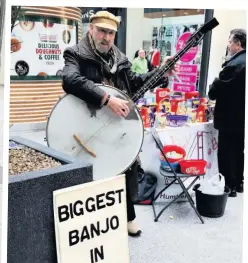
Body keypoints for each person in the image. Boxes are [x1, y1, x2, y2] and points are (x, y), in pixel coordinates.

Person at [61, 11, 173, 236]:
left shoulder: (120, 59)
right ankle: (90, 225)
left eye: (111, 32)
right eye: (102, 30)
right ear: (91, 29)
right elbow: (70, 80)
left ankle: (128, 215)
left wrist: (161, 72)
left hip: (114, 122)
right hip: (87, 121)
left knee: (121, 164)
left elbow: (134, 83)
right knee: (92, 169)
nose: (106, 37)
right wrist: (106, 99)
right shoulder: (75, 54)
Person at [208, 29, 246, 197]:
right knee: (238, 150)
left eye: (230, 42)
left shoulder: (234, 65)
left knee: (226, 152)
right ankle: (238, 183)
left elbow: (216, 90)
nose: (228, 45)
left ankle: (228, 186)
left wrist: (213, 85)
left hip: (229, 116)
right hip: (242, 116)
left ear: (238, 44)